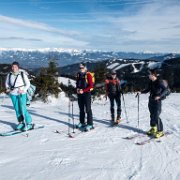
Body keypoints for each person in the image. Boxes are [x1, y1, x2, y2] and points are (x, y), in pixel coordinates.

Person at [138, 69, 168, 138]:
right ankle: (153, 128)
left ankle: (160, 131)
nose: (148, 76)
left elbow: (165, 90)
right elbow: (148, 89)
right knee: (152, 115)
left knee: (156, 116)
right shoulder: (151, 82)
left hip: (157, 102)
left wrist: (159, 96)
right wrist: (141, 92)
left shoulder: (159, 82)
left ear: (153, 75)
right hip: (151, 101)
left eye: (149, 75)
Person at [5, 61, 33, 131]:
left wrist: (23, 90)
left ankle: (29, 123)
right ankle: (21, 123)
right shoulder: (10, 74)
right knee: (17, 109)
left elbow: (28, 84)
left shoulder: (22, 74)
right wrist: (8, 88)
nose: (13, 68)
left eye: (15, 67)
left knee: (23, 109)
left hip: (21, 93)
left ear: (18, 67)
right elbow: (6, 83)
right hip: (13, 94)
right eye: (12, 67)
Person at [76, 63, 94, 131]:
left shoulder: (88, 75)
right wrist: (77, 89)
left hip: (87, 94)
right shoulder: (79, 75)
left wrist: (83, 90)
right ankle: (82, 122)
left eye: (82, 68)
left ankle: (90, 124)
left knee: (88, 109)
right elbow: (77, 84)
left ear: (85, 67)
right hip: (80, 94)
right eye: (80, 68)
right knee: (81, 109)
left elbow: (91, 86)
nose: (81, 69)